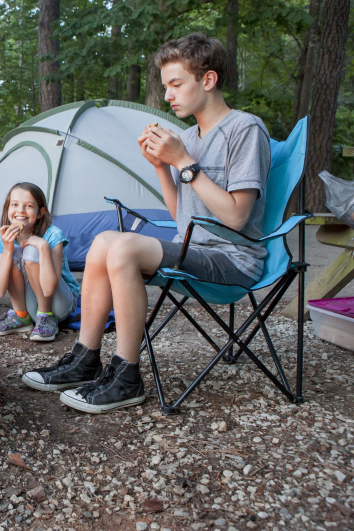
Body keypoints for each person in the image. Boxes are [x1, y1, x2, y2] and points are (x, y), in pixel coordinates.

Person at [22, 33, 270, 414]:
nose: (168, 95)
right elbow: (181, 217)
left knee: (122, 246)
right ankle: (85, 358)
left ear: (208, 80)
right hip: (194, 248)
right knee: (104, 240)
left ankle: (126, 376)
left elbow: (237, 216)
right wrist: (161, 167)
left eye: (176, 84)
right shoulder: (188, 136)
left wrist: (184, 162)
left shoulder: (244, 129)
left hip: (233, 258)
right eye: (165, 86)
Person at [0, 183, 80, 342]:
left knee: (31, 250)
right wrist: (7, 250)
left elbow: (49, 289)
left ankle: (46, 317)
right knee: (15, 252)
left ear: (40, 212)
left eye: (28, 206)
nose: (20, 210)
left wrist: (43, 248)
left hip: (59, 303)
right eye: (14, 204)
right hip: (31, 300)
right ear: (7, 209)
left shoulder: (53, 234)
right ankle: (20, 316)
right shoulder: (3, 237)